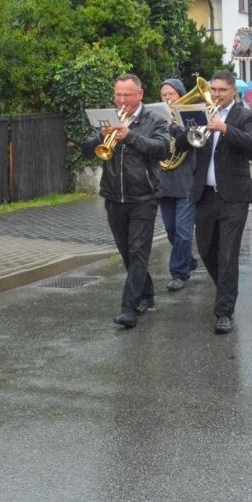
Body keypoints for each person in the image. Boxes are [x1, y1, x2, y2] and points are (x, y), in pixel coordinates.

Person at [80, 74, 170, 328]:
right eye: (118, 95)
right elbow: (86, 149)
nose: (121, 100)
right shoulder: (106, 118)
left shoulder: (155, 120)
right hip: (113, 196)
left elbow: (162, 149)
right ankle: (147, 294)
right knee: (127, 252)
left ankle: (128, 309)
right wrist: (101, 136)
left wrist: (129, 135)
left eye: (126, 96)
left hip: (144, 197)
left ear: (139, 95)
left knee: (138, 251)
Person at [188, 71, 252, 333]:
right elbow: (185, 143)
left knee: (228, 254)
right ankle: (226, 288)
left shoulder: (247, 116)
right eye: (213, 89)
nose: (216, 94)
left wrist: (226, 129)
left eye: (221, 90)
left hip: (234, 196)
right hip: (205, 194)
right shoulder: (203, 113)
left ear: (233, 91)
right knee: (206, 249)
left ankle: (224, 312)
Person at [156, 77, 198, 294]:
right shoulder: (156, 118)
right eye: (164, 95)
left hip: (186, 182)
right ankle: (188, 260)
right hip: (165, 182)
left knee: (183, 231)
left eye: (171, 94)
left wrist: (173, 127)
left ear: (181, 95)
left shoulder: (190, 117)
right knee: (171, 230)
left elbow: (193, 141)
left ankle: (179, 273)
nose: (167, 98)